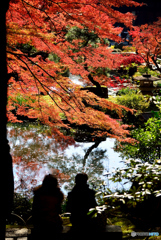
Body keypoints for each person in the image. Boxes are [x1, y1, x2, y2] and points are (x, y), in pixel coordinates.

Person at [32, 174, 64, 239]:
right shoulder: (58, 195)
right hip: (54, 224)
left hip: (40, 223)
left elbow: (34, 210)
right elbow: (59, 211)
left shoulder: (38, 194)